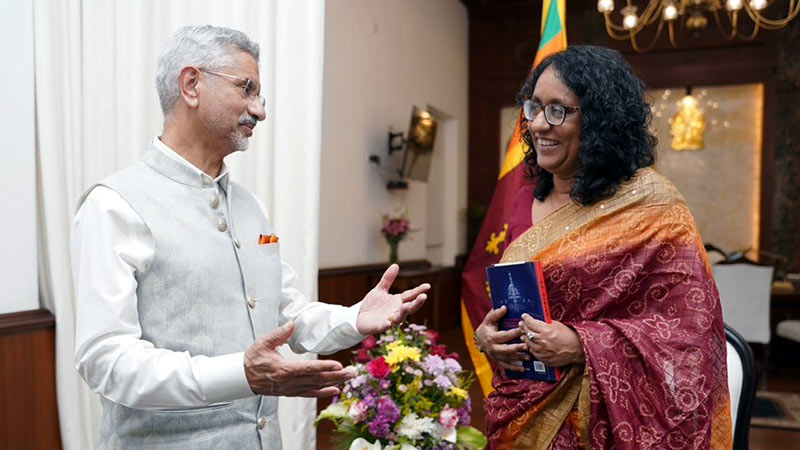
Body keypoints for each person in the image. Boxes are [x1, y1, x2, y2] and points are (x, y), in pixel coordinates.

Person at [71, 25, 430, 450]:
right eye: (247, 89)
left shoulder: (249, 206)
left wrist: (355, 318)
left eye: (260, 95)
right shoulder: (114, 204)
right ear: (191, 84)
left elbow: (286, 313)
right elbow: (105, 360)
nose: (259, 111)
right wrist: (241, 373)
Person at [474, 45, 732, 449]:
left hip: (601, 430)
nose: (539, 124)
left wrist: (582, 345)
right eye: (533, 107)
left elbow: (688, 331)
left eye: (558, 110)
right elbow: (515, 303)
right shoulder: (522, 201)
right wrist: (489, 336)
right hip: (523, 410)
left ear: (599, 121)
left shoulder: (652, 207)